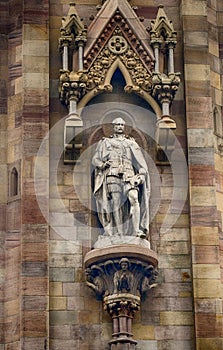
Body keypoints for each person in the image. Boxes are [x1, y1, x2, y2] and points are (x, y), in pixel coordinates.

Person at [92, 117, 150, 238]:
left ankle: (136, 231)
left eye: (121, 125)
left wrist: (141, 174)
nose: (119, 126)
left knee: (134, 198)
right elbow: (95, 159)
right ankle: (119, 233)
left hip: (129, 174)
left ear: (124, 127)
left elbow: (140, 164)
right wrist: (102, 165)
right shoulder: (105, 142)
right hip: (112, 174)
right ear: (114, 127)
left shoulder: (132, 144)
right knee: (116, 204)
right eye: (117, 124)